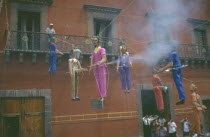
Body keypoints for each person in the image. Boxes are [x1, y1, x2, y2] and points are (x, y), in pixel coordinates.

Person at [89, 37, 107, 102]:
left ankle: (103, 96)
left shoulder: (102, 49)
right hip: (95, 68)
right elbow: (92, 58)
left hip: (101, 67)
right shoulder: (94, 51)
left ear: (98, 41)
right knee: (97, 82)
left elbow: (104, 58)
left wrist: (100, 62)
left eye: (95, 40)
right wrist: (91, 66)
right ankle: (99, 96)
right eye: (93, 40)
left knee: (102, 82)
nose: (94, 41)